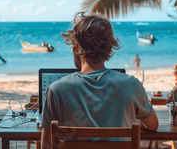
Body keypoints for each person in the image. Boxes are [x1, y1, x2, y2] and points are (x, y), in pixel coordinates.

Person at [40, 13, 158, 148]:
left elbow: (46, 145)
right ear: (109, 50)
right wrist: (127, 120)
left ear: (76, 48)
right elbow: (153, 125)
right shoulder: (131, 85)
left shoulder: (56, 90)